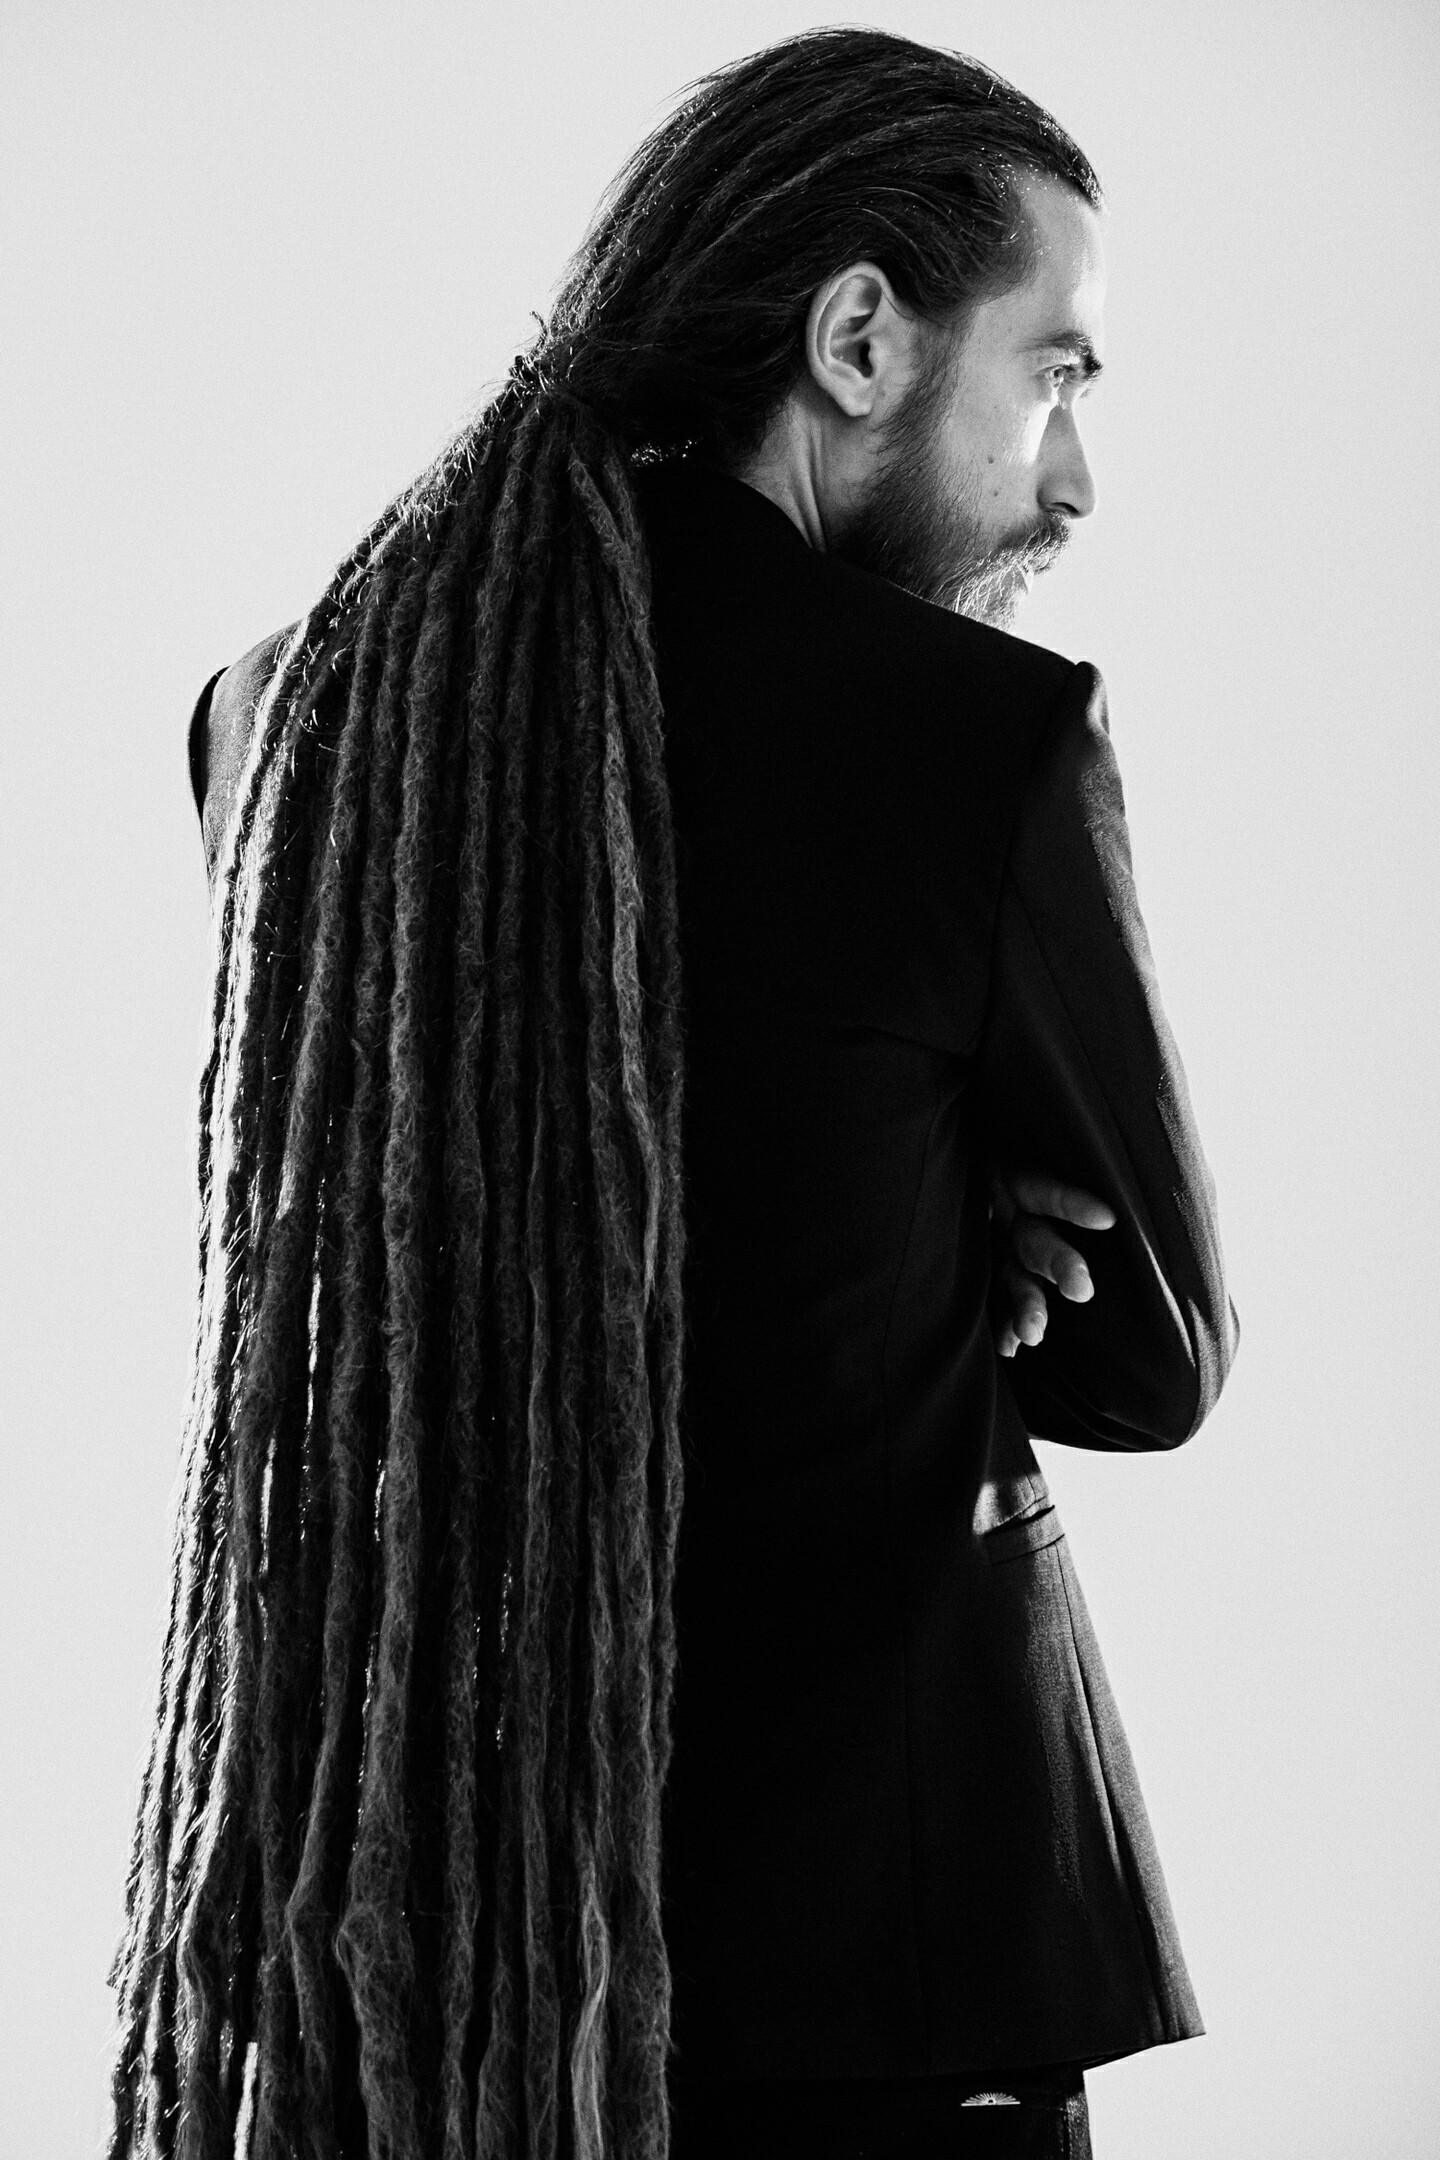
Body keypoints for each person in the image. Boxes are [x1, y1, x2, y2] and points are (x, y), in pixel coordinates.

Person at [109, 28, 1237, 2160]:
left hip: (437, 1983)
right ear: (860, 338)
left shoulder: (286, 717)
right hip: (891, 1986)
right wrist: (956, 1221)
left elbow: (430, 1215)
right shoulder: (977, 737)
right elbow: (1155, 1359)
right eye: (1056, 374)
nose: (1073, 483)